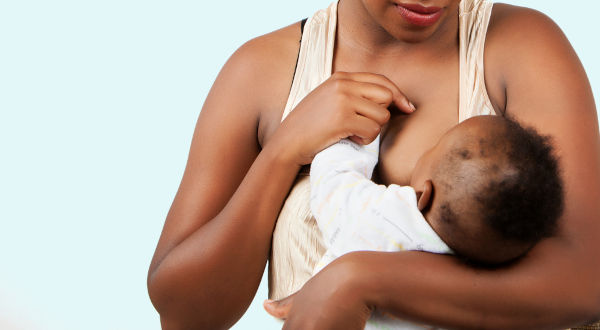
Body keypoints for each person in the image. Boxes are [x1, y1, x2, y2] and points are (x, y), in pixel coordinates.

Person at [147, 0, 600, 328]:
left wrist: (362, 280)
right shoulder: (260, 73)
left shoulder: (519, 45)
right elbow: (185, 314)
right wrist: (283, 151)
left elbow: (585, 281)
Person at [308, 115, 563, 329]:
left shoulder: (387, 218)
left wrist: (362, 134)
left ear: (425, 193)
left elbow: (332, 183)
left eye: (433, 147)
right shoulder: (481, 277)